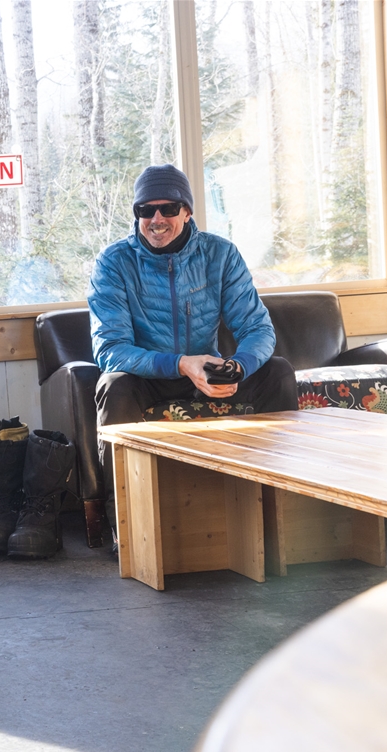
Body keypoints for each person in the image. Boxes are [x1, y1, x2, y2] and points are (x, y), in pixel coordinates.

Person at [87, 164, 298, 546]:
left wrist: (237, 367)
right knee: (113, 386)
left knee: (278, 372)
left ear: (187, 211)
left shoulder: (220, 254)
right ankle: (126, 526)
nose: (156, 219)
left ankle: (278, 512)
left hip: (206, 373)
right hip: (147, 377)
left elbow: (257, 329)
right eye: (145, 210)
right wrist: (181, 364)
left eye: (168, 208)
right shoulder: (113, 262)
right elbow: (110, 349)